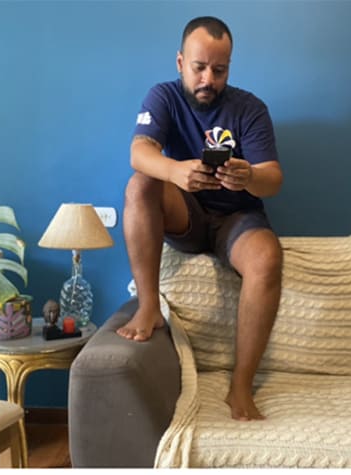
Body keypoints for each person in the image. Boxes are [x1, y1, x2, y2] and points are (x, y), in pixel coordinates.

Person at [121, 16, 284, 421]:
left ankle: (241, 386)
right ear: (180, 62)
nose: (208, 78)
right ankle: (148, 308)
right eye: (199, 67)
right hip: (185, 214)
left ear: (229, 67)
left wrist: (249, 175)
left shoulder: (249, 108)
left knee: (267, 258)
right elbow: (138, 152)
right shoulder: (163, 97)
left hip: (237, 218)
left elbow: (274, 179)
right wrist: (176, 172)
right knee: (140, 184)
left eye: (219, 69)